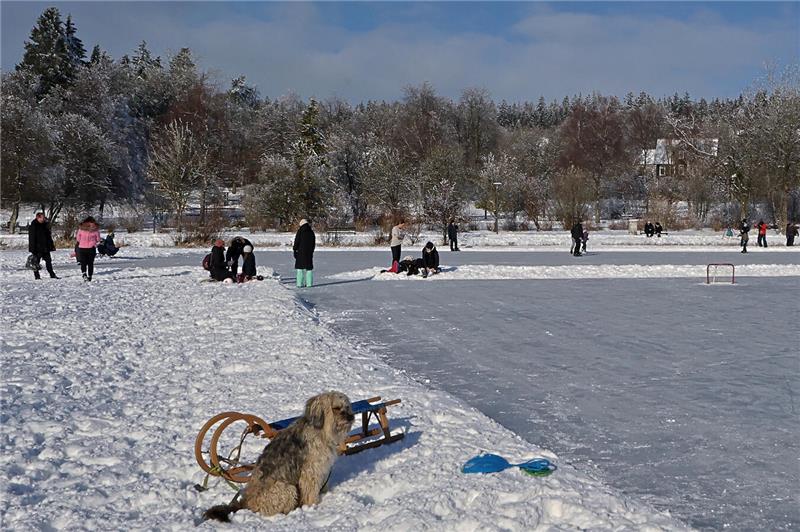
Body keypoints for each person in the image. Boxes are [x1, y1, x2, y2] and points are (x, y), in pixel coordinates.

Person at [28, 209, 58, 280]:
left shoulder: (45, 225)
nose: (44, 219)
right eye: (42, 217)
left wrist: (51, 246)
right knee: (36, 262)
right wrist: (32, 249)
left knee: (49, 261)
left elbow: (48, 236)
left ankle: (52, 274)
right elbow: (32, 238)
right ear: (38, 217)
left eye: (44, 217)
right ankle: (37, 276)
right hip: (37, 248)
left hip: (45, 247)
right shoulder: (33, 225)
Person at [75, 216, 101, 281]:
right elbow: (98, 239)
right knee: (90, 263)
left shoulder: (81, 229)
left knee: (83, 262)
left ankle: (84, 273)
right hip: (91, 248)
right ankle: (90, 276)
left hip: (82, 248)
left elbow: (78, 239)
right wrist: (95, 243)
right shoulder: (96, 230)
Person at [293, 219, 315, 288]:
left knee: (300, 268)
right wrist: (311, 251)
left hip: (300, 253)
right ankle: (309, 284)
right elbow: (313, 243)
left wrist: (294, 249)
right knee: (309, 269)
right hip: (309, 253)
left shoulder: (300, 231)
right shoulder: (311, 232)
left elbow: (297, 241)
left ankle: (299, 284)